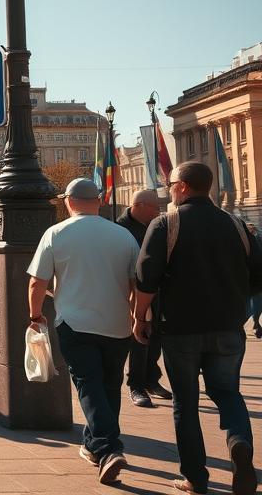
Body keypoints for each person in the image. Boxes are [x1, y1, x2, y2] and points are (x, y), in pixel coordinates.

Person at [134, 163, 262, 495]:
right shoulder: (237, 225)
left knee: (185, 402)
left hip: (180, 329)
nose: (169, 188)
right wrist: (234, 299)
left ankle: (195, 478)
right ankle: (239, 442)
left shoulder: (166, 223)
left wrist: (140, 317)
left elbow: (146, 278)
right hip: (228, 327)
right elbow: (258, 276)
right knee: (228, 393)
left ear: (183, 187)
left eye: (171, 183)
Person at [27, 178, 139, 486]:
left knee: (89, 385)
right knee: (109, 386)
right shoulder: (124, 235)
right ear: (99, 201)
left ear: (68, 202)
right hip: (118, 325)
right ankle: (93, 445)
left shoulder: (56, 233)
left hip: (75, 322)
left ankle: (108, 448)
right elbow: (136, 284)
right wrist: (137, 317)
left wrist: (35, 315)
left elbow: (38, 282)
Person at [116, 189, 172, 409]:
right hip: (134, 293)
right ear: (138, 205)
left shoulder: (156, 226)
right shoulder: (120, 229)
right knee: (139, 340)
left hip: (157, 291)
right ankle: (136, 385)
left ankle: (151, 379)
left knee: (156, 337)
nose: (158, 211)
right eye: (154, 207)